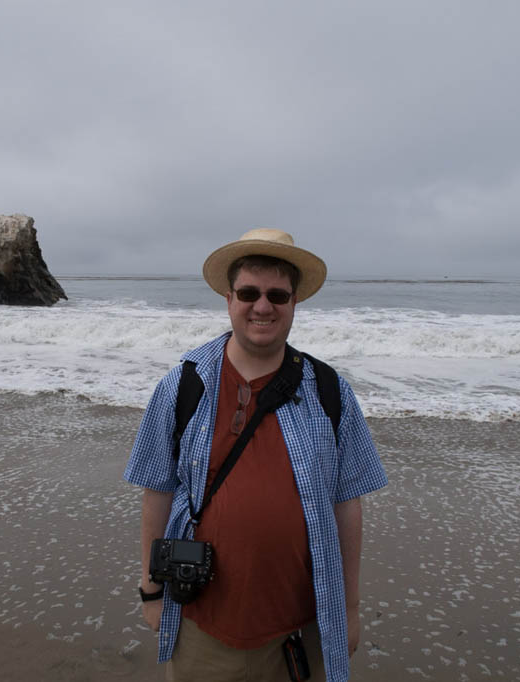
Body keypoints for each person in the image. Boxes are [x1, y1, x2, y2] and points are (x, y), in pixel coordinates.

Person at [124, 229, 388, 681]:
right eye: (248, 292)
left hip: (301, 629)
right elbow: (157, 491)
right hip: (201, 625)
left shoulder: (329, 390)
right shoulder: (183, 385)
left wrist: (350, 608)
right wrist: (151, 591)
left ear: (293, 302)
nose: (262, 306)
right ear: (229, 299)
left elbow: (347, 503)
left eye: (276, 295)